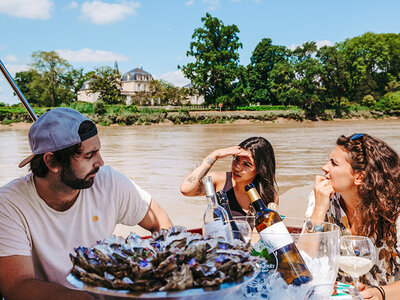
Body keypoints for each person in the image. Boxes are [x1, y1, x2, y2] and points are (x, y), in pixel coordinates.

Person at [0, 107, 172, 300]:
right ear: (51, 162)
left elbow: (160, 222)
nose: (100, 162)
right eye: (89, 156)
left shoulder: (109, 182)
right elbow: (16, 286)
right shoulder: (9, 204)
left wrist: (171, 273)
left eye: (98, 152)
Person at [307, 133, 400, 300]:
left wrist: (379, 294)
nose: (324, 167)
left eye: (334, 163)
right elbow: (301, 263)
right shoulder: (322, 199)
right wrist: (319, 210)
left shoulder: (395, 213)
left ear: (359, 177)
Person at [180, 136, 278, 216]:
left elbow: (264, 233)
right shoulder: (219, 181)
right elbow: (186, 189)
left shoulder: (268, 195)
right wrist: (214, 155)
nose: (237, 167)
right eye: (236, 159)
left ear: (260, 169)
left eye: (246, 164)